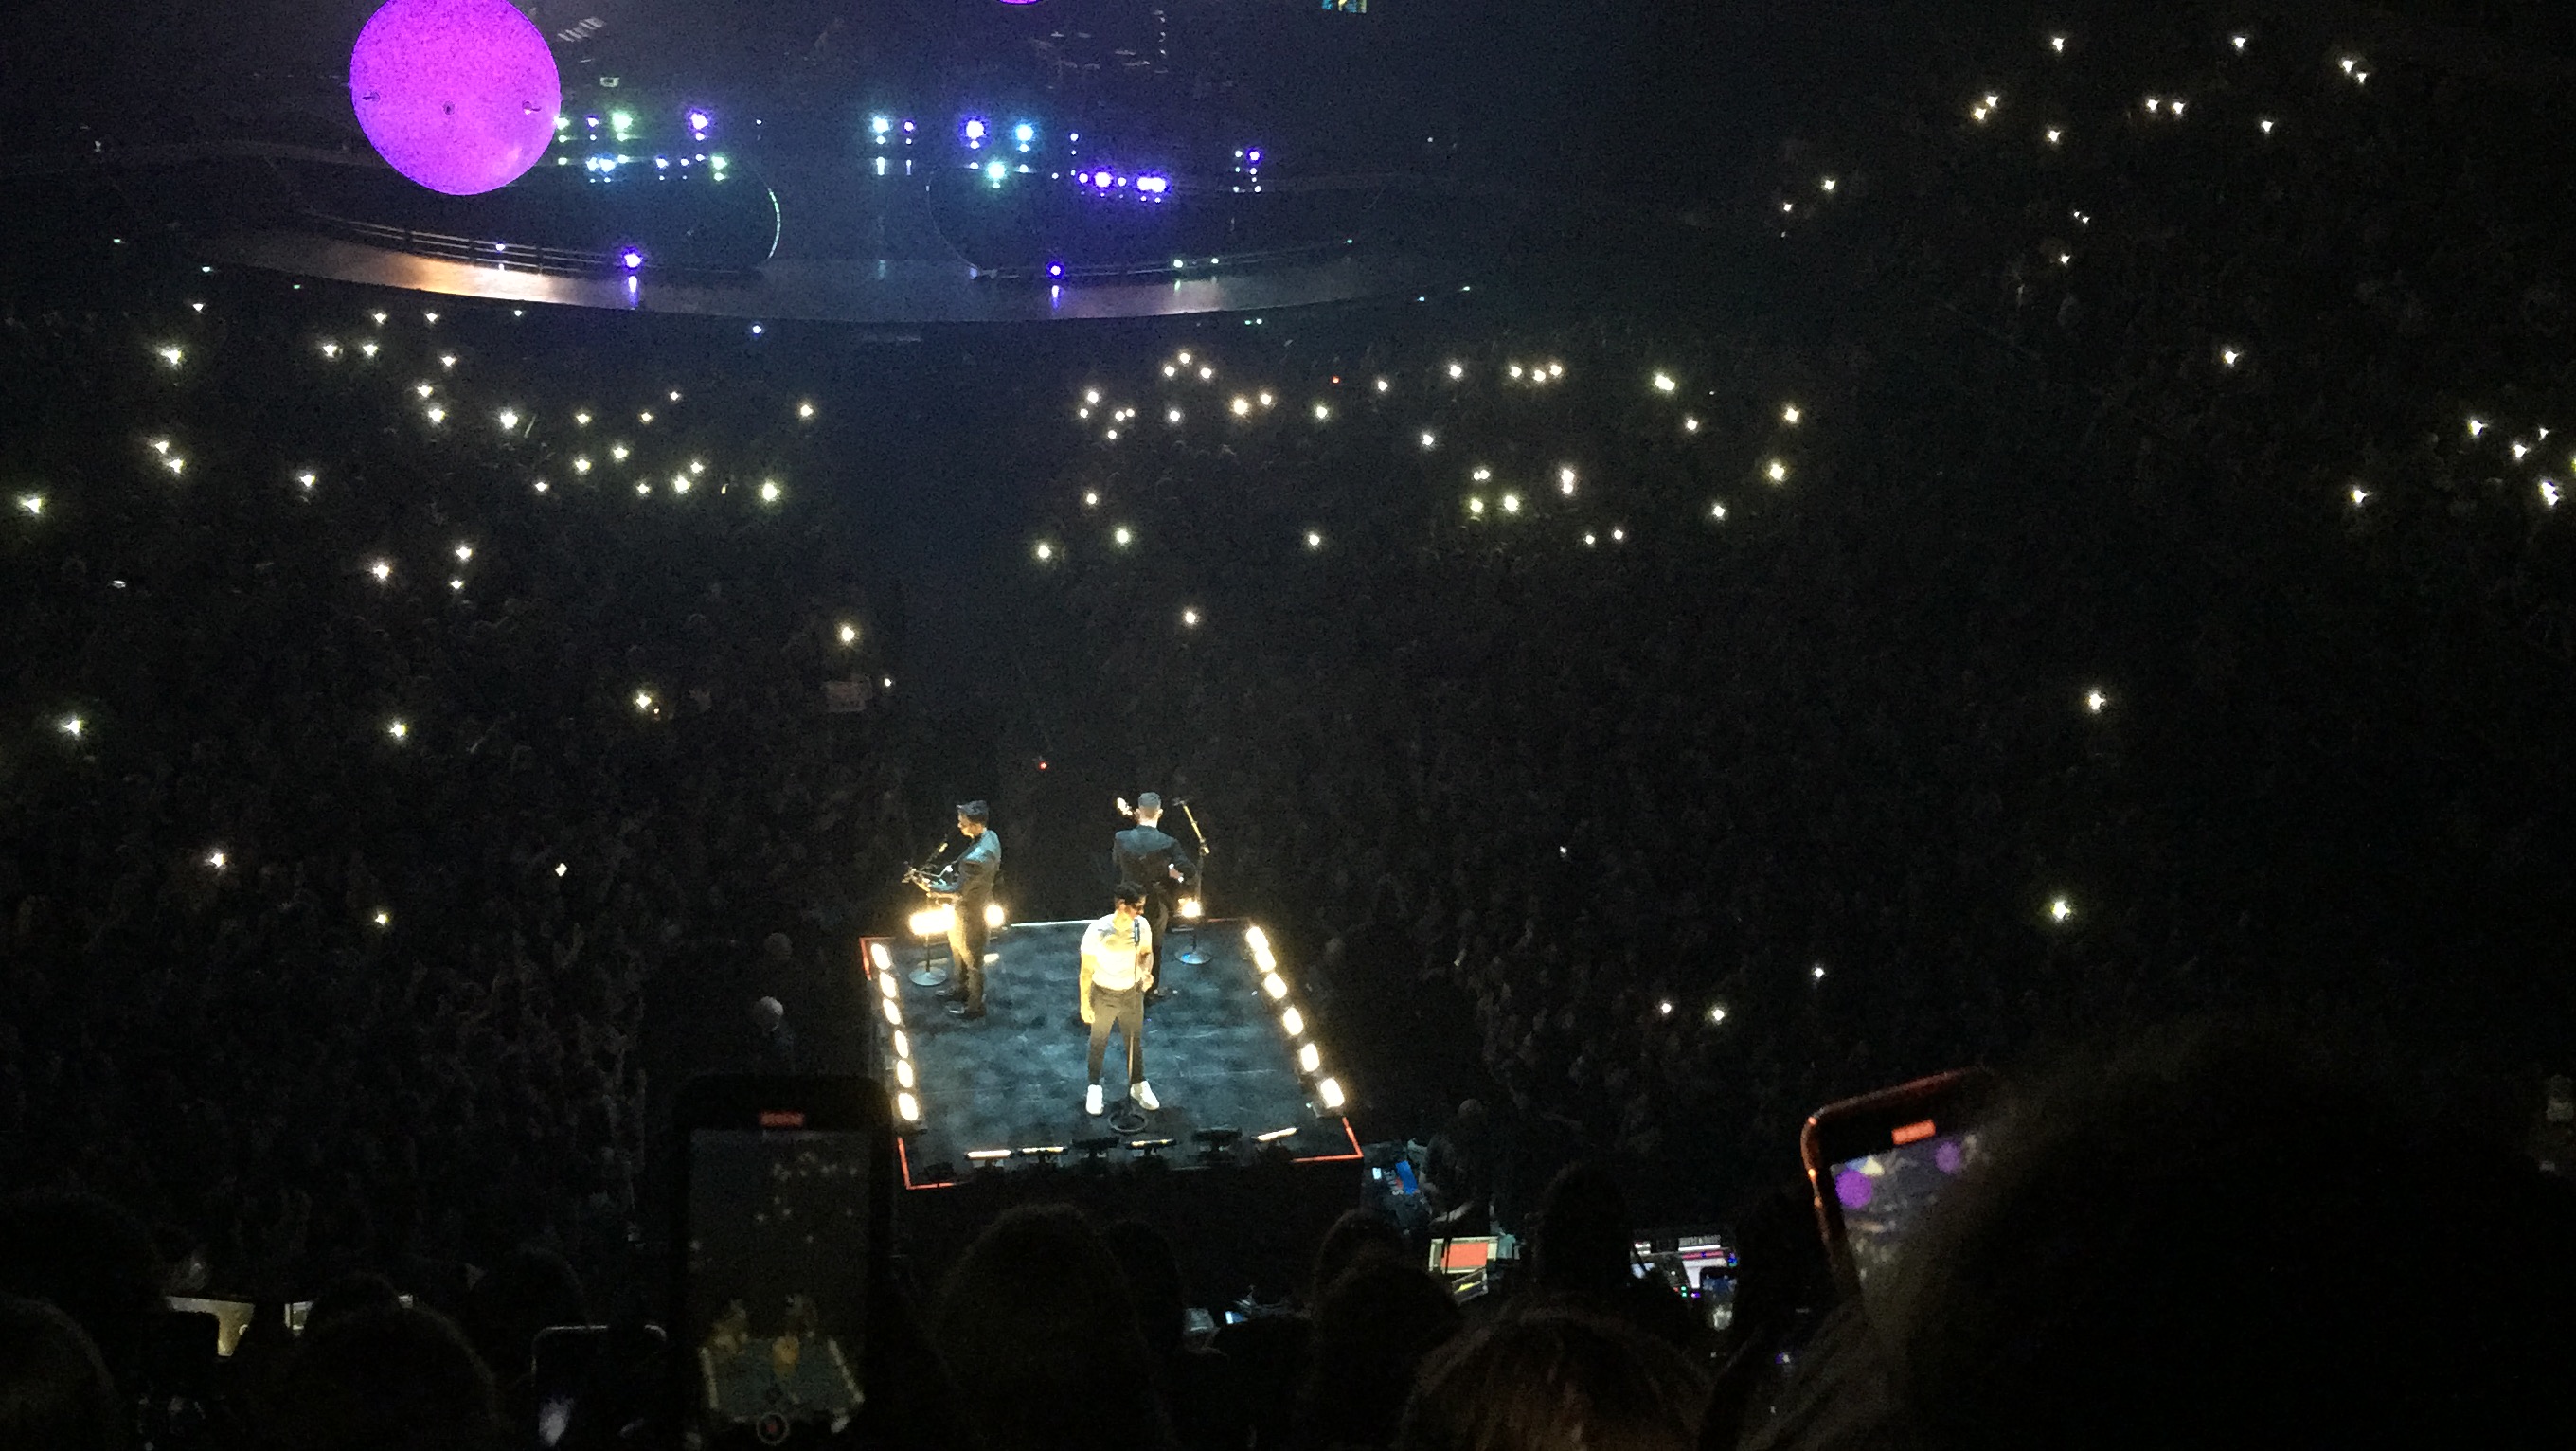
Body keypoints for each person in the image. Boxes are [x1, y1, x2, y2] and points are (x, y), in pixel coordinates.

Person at [916, 800, 1001, 1020]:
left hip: (969, 914)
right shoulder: (991, 836)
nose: (959, 826)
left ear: (974, 824)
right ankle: (960, 989)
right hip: (970, 907)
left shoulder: (975, 860)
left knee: (973, 961)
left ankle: (974, 1007)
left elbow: (957, 890)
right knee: (958, 951)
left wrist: (930, 887)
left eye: (963, 822)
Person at [1081, 883, 1158, 1117]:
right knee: (1099, 1041)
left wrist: (1146, 971)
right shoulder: (1098, 931)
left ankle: (1138, 1084)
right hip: (1104, 993)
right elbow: (1086, 971)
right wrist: (1085, 1003)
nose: (1142, 912)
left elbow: (1146, 953)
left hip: (1132, 993)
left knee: (1134, 1040)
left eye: (1143, 907)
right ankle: (1094, 1086)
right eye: (1137, 907)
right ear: (1121, 905)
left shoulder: (1141, 926)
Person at [1114, 796, 1196, 994]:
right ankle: (1150, 991)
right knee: (1153, 947)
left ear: (1138, 811)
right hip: (1153, 902)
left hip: (1126, 899)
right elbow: (1187, 870)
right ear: (1160, 813)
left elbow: (1116, 864)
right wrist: (1170, 869)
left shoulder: (1121, 837)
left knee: (1126, 943)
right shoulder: (1168, 842)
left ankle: (1124, 987)